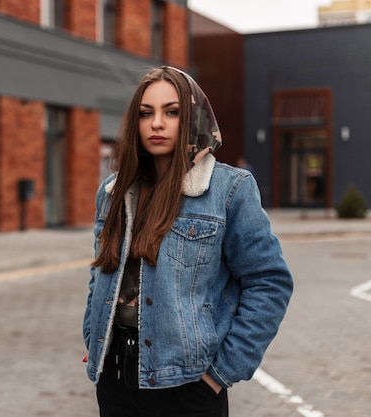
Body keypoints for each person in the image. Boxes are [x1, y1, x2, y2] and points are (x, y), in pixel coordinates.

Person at [82, 66, 293, 417]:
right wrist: (95, 335)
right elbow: (100, 271)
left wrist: (221, 372)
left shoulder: (229, 190)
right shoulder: (113, 192)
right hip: (115, 377)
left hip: (189, 386)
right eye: (146, 113)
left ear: (193, 119)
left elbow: (269, 283)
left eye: (172, 112)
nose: (157, 123)